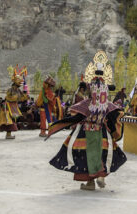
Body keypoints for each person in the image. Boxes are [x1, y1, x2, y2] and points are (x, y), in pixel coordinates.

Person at [48, 51, 126, 190]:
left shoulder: (86, 105)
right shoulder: (108, 106)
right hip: (102, 132)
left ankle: (91, 183)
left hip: (85, 133)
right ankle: (100, 177)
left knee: (84, 156)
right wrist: (115, 133)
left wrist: (56, 126)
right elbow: (116, 116)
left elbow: (74, 118)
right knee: (102, 154)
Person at [0, 73, 29, 139]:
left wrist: (25, 97)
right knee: (6, 120)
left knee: (11, 120)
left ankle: (8, 134)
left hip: (13, 107)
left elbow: (21, 98)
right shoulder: (10, 90)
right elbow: (8, 98)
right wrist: (16, 97)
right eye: (18, 80)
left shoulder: (18, 90)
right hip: (7, 107)